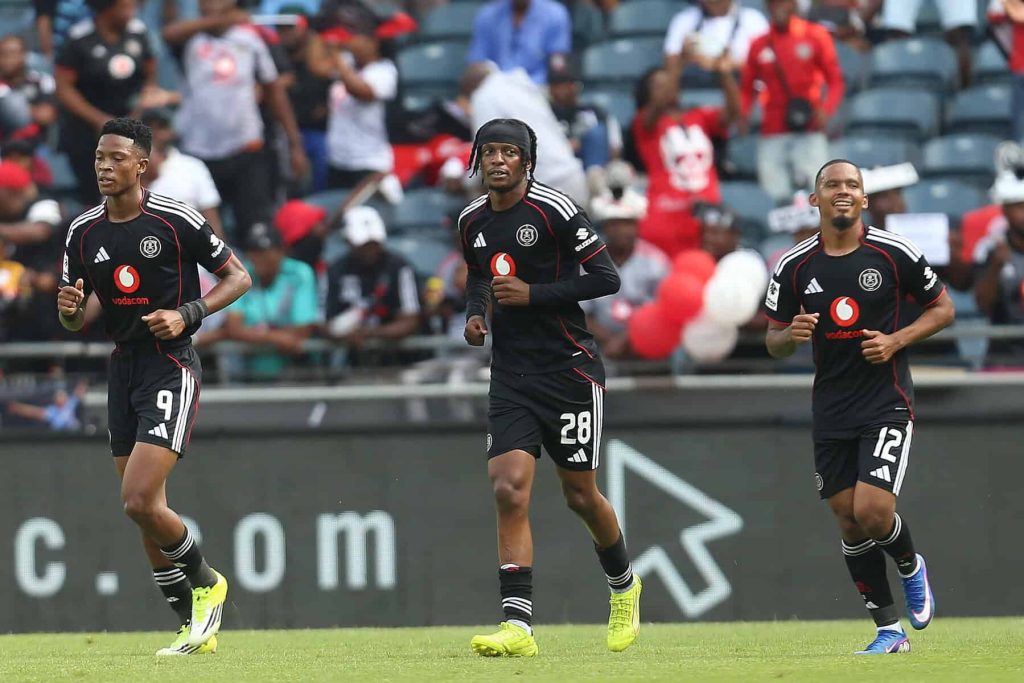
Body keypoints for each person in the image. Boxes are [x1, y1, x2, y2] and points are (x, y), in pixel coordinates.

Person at [56, 117, 251, 655]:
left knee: (139, 498)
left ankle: (208, 583)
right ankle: (191, 626)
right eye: (99, 157)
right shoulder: (82, 231)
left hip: (170, 363)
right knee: (145, 509)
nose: (104, 167)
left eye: (117, 158)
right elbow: (77, 316)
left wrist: (188, 313)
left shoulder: (175, 219)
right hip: (123, 368)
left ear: (141, 165)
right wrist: (69, 311)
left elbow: (239, 277)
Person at [458, 118, 640, 657]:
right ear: (477, 159)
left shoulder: (555, 210)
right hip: (511, 375)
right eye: (489, 151)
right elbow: (478, 274)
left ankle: (624, 584)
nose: (498, 160)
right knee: (507, 488)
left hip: (569, 371)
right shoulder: (471, 219)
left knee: (580, 495)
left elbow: (606, 278)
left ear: (527, 161)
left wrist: (534, 294)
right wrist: (476, 313)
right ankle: (518, 626)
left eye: (508, 152)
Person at [764, 159, 954, 654]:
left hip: (885, 400)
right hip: (830, 407)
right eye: (832, 185)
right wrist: (789, 335)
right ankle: (889, 631)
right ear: (815, 199)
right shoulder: (794, 265)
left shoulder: (894, 252)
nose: (843, 191)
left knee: (872, 509)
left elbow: (944, 308)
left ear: (865, 199)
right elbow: (772, 340)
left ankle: (910, 566)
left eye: (852, 184)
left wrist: (896, 340)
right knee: (847, 519)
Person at [163, 0, 307, 241]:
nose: (207, 4)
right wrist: (222, 20)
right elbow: (168, 34)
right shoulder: (189, 39)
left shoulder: (249, 39)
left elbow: (275, 93)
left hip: (246, 149)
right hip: (200, 153)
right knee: (205, 236)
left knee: (255, 231)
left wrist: (295, 145)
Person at [54, 0, 175, 205]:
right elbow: (64, 88)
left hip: (132, 124)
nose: (131, 11)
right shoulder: (79, 39)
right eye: (125, 7)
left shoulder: (138, 33)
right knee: (96, 194)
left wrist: (138, 111)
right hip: (87, 129)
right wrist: (98, 120)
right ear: (106, 8)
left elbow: (149, 74)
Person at [630, 58, 739, 256]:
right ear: (647, 95)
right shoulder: (644, 123)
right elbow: (661, 101)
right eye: (659, 86)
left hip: (706, 222)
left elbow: (734, 113)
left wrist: (724, 73)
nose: (668, 88)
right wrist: (678, 62)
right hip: (665, 221)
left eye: (669, 82)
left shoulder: (698, 116)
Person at [740, 0, 844, 201]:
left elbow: (835, 81)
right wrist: (743, 114)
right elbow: (746, 88)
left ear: (794, 5)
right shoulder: (759, 44)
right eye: (773, 3)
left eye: (783, 2)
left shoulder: (815, 35)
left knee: (818, 194)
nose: (778, 7)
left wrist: (826, 109)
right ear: (767, 7)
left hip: (809, 126)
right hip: (772, 129)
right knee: (773, 195)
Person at [305, 7, 398, 190]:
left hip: (368, 162)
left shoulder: (384, 70)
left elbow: (360, 92)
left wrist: (337, 55)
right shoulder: (347, 63)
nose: (351, 41)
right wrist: (319, 31)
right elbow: (316, 67)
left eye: (358, 37)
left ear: (373, 43)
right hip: (338, 160)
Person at [323, 205, 421, 361]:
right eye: (363, 245)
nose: (370, 250)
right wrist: (340, 333)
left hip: (397, 360)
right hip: (351, 361)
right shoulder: (335, 271)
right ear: (348, 241)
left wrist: (369, 333)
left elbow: (410, 320)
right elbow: (323, 322)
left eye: (375, 244)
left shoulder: (400, 268)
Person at [222, 222, 318, 380]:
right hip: (251, 373)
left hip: (296, 370)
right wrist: (276, 337)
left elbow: (302, 330)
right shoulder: (241, 275)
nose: (256, 257)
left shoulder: (299, 273)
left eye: (263, 251)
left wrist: (254, 333)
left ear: (281, 251)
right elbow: (233, 328)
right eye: (252, 251)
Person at [583, 186, 669, 360]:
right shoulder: (587, 261)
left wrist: (625, 339)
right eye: (615, 223)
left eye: (628, 223)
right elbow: (580, 313)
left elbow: (664, 311)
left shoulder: (657, 261)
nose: (621, 230)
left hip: (647, 343)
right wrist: (609, 340)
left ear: (637, 225)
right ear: (605, 226)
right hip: (598, 344)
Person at [140, 108, 225, 239]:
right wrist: (144, 179)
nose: (154, 133)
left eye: (161, 127)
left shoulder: (193, 166)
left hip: (187, 245)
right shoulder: (125, 168)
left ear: (171, 132)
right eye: (148, 127)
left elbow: (211, 217)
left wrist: (219, 248)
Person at [663, 0, 770, 88]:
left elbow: (767, 66)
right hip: (695, 93)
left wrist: (730, 65)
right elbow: (669, 67)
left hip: (741, 93)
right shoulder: (684, 19)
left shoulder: (754, 20)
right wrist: (684, 57)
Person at [466, 0, 571, 84]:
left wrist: (558, 76)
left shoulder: (555, 14)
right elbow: (476, 62)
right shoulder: (487, 15)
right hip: (495, 88)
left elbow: (557, 63)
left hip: (537, 89)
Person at [547, 55, 622, 171]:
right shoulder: (545, 114)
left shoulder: (595, 112)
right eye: (555, 84)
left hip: (591, 166)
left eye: (566, 83)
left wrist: (583, 142)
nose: (560, 89)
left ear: (575, 86)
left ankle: (595, 175)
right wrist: (565, 146)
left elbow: (615, 148)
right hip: (558, 169)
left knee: (597, 132)